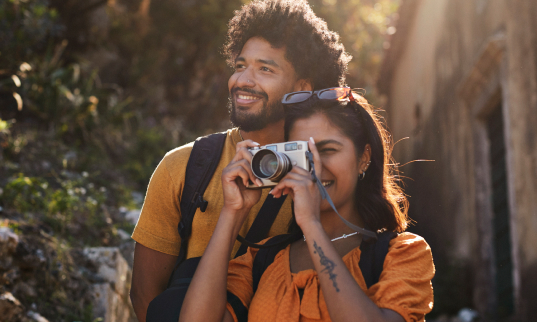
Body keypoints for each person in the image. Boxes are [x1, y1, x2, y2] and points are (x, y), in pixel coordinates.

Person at [130, 0, 352, 321]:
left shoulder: (327, 175)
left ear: (302, 88)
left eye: (265, 69)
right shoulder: (182, 168)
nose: (242, 80)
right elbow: (146, 296)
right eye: (240, 65)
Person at [179, 88, 435, 322]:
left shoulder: (403, 254)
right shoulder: (264, 258)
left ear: (364, 158)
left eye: (327, 150)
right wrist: (233, 211)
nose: (313, 167)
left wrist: (312, 225)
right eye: (301, 154)